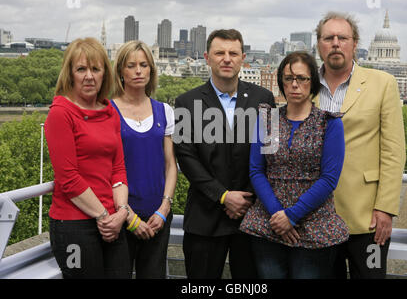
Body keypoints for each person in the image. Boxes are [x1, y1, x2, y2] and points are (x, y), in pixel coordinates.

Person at [174, 29, 275, 279]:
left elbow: (271, 154)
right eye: (220, 53)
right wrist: (223, 196)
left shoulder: (265, 99)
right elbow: (186, 158)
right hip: (204, 218)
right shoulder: (186, 102)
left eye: (233, 53)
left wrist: (245, 199)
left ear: (243, 58)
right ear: (207, 58)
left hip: (251, 217)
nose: (226, 59)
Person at [240, 51, 349, 279]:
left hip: (314, 224)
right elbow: (257, 170)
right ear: (281, 82)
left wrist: (292, 216)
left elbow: (329, 179)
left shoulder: (329, 124)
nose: (295, 85)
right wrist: (278, 214)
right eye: (288, 78)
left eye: (302, 78)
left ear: (313, 83)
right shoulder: (268, 120)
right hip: (268, 221)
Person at [313, 11, 406, 278]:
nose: (335, 43)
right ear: (319, 44)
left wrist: (386, 208)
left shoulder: (382, 83)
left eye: (343, 37)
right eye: (328, 37)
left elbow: (393, 150)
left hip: (368, 219)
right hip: (317, 218)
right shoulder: (304, 86)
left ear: (355, 43)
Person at [45, 37, 131, 279]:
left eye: (95, 69)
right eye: (81, 69)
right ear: (70, 74)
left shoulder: (110, 111)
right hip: (74, 226)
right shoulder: (60, 114)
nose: (89, 76)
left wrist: (121, 212)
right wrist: (104, 217)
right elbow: (68, 178)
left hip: (113, 221)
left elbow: (119, 168)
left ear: (105, 73)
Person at [110, 40, 177, 279]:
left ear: (151, 70)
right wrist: (128, 215)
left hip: (157, 217)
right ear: (120, 71)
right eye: (131, 65)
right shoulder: (107, 112)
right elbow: (104, 169)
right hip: (120, 216)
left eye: (144, 65)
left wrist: (164, 208)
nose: (138, 71)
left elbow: (170, 165)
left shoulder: (164, 111)